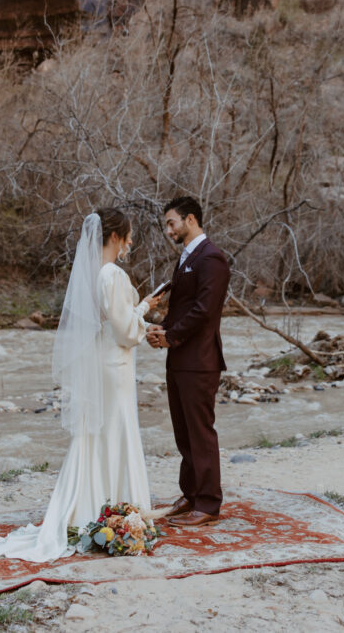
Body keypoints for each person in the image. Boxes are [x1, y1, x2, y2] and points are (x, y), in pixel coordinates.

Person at [0, 208, 162, 562]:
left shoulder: (91, 273)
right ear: (114, 237)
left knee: (99, 432)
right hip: (115, 363)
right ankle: (115, 509)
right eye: (127, 235)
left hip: (103, 360)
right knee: (116, 429)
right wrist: (144, 308)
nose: (130, 242)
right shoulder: (111, 273)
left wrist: (138, 311)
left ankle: (101, 506)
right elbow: (123, 329)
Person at [147, 196, 231, 527]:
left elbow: (204, 311)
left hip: (200, 359)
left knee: (200, 432)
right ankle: (191, 494)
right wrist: (162, 328)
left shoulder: (212, 258)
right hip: (180, 356)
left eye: (172, 223)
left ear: (190, 220)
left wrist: (171, 336)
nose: (168, 230)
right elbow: (183, 308)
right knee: (183, 433)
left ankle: (208, 503)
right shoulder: (187, 258)